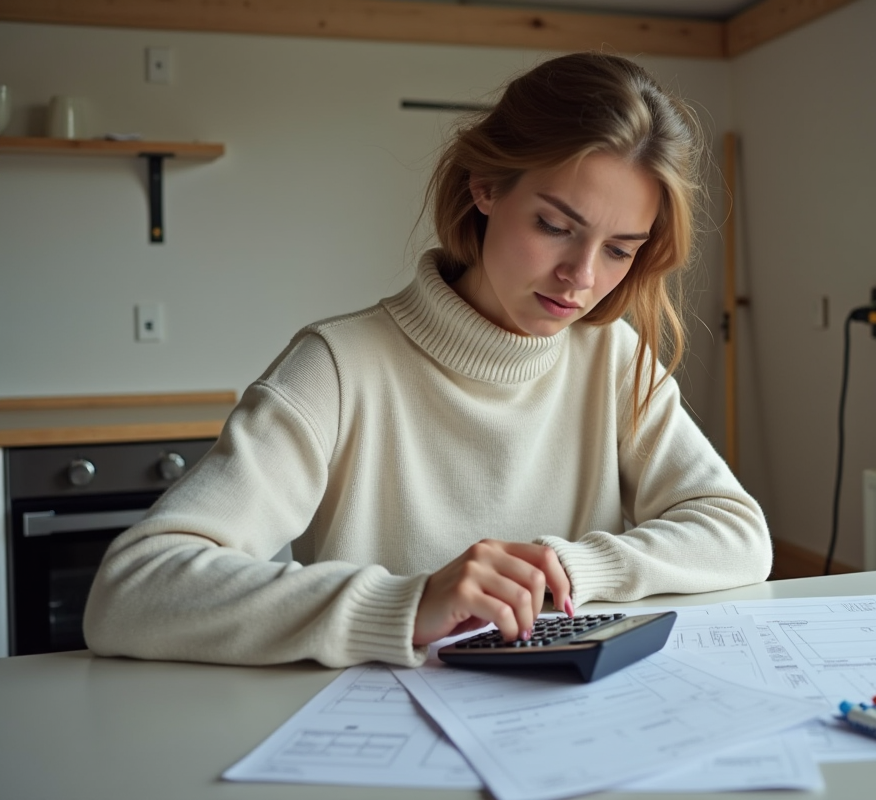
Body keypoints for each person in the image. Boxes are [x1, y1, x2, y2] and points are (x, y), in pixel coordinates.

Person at [83, 52, 771, 669]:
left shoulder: (614, 359)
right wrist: (406, 605)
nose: (582, 277)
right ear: (486, 188)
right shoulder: (337, 367)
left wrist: (567, 567)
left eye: (620, 249)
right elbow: (133, 590)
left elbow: (738, 533)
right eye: (555, 227)